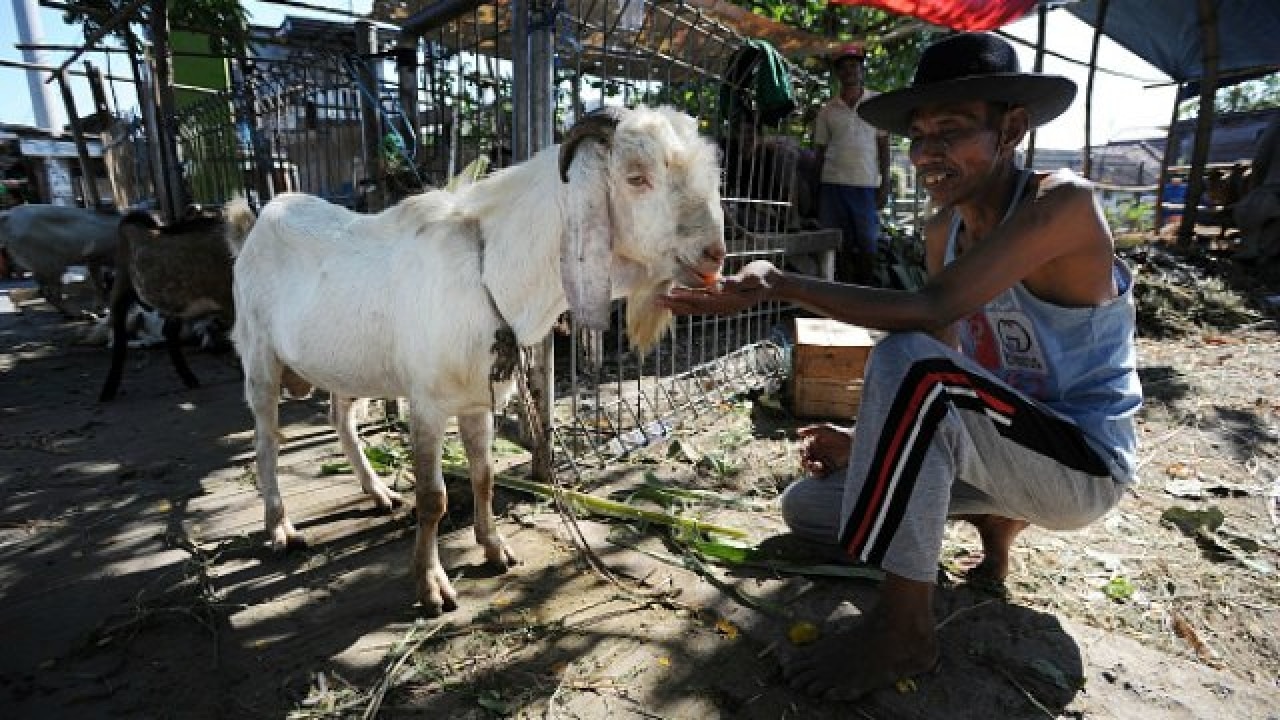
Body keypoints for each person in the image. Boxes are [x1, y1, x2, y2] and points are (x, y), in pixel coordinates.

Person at [658, 32, 1142, 701]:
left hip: (1081, 466)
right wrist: (865, 443)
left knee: (906, 356)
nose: (928, 153)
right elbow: (947, 350)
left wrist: (784, 284)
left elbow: (927, 316)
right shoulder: (945, 230)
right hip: (1005, 451)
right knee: (812, 510)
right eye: (918, 135)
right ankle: (995, 523)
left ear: (1012, 128)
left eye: (951, 129)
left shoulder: (1062, 205)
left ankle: (904, 629)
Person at [814, 45, 892, 285]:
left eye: (854, 66)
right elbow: (820, 151)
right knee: (840, 245)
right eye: (845, 67)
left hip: (865, 184)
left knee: (867, 244)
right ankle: (844, 295)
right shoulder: (828, 110)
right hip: (833, 184)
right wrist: (817, 188)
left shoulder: (877, 103)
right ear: (838, 73)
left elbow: (884, 145)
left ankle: (866, 296)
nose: (850, 71)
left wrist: (885, 181)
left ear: (861, 70)